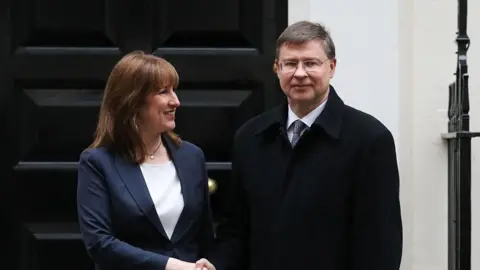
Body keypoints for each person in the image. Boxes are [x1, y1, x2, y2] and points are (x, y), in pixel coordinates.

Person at [199, 20, 403, 270]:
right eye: (290, 63)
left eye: (310, 63)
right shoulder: (250, 137)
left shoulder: (370, 139)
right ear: (276, 68)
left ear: (332, 67)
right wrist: (216, 265)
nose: (299, 73)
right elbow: (237, 229)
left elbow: (380, 243)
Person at [77, 51, 216, 270]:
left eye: (174, 90)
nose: (176, 101)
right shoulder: (98, 162)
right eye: (164, 92)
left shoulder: (192, 157)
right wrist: (172, 266)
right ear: (133, 101)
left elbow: (204, 236)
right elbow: (99, 244)